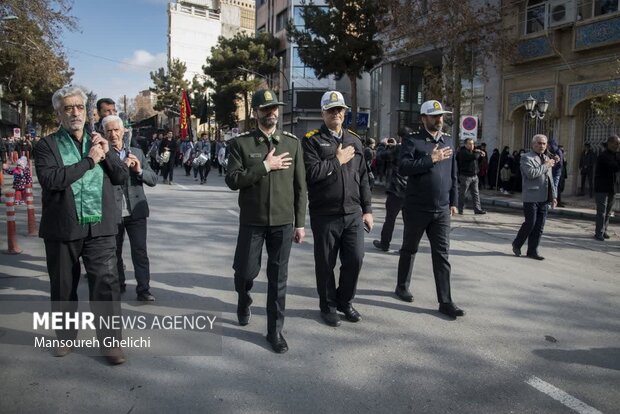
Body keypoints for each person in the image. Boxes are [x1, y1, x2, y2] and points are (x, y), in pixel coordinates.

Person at [34, 85, 128, 364]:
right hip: (63, 228)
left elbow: (120, 176)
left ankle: (111, 343)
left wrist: (106, 151)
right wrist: (90, 161)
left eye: (78, 107)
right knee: (63, 286)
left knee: (106, 284)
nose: (74, 112)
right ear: (58, 113)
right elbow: (52, 180)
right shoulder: (46, 145)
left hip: (100, 227)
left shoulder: (97, 140)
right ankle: (64, 337)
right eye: (67, 108)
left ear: (86, 112)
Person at [225, 89, 307, 354]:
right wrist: (265, 166)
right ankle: (244, 298)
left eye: (275, 108)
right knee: (245, 272)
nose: (272, 112)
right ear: (256, 112)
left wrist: (300, 223)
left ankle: (275, 331)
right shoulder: (242, 144)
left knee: (278, 278)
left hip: (283, 223)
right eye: (266, 108)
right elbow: (233, 180)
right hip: (253, 221)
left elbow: (300, 187)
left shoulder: (292, 143)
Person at [303, 90, 373, 327]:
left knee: (355, 259)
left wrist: (368, 209)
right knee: (325, 263)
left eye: (340, 109)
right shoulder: (311, 140)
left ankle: (345, 301)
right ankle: (328, 306)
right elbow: (311, 174)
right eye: (331, 110)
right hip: (325, 214)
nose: (336, 114)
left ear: (345, 113)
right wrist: (337, 160)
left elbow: (363, 178)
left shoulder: (354, 139)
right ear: (323, 113)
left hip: (353, 212)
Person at [395, 100, 463, 317]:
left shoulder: (448, 141)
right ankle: (402, 286)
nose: (439, 120)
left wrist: (454, 201)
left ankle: (445, 301)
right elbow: (404, 168)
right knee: (409, 248)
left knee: (442, 255)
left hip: (442, 210)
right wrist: (430, 159)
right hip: (417, 207)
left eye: (441, 116)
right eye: (434, 116)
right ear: (424, 118)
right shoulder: (413, 141)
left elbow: (453, 173)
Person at [103, 115, 157, 301]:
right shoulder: (101, 154)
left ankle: (144, 290)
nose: (113, 134)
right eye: (108, 131)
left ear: (123, 131)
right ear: (104, 133)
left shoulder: (136, 152)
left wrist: (139, 171)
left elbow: (153, 179)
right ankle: (119, 285)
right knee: (114, 252)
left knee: (140, 252)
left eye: (116, 130)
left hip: (136, 212)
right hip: (113, 212)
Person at [511, 134, 557, 260]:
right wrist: (546, 165)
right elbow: (531, 174)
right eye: (539, 143)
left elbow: (550, 179)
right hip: (531, 196)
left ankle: (532, 251)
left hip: (544, 197)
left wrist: (554, 196)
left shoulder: (547, 158)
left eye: (544, 143)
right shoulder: (526, 158)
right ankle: (517, 243)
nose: (542, 146)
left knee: (539, 226)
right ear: (533, 144)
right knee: (530, 223)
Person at [373, 127, 410, 252]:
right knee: (409, 223)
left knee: (390, 219)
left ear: (400, 137)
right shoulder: (415, 148)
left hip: (396, 189)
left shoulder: (398, 149)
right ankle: (406, 247)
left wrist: (383, 145)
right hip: (411, 191)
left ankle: (385, 244)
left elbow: (380, 156)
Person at [593, 135, 620, 241]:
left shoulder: (616, 155)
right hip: (601, 187)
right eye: (616, 143)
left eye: (619, 144)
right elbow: (614, 167)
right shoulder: (603, 156)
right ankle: (598, 233)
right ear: (609, 143)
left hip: (612, 188)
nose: (617, 146)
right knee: (602, 211)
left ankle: (604, 231)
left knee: (608, 211)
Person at [456, 138, 486, 215]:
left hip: (474, 176)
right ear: (465, 144)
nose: (472, 145)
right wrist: (479, 152)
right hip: (465, 176)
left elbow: (478, 160)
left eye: (473, 144)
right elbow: (473, 157)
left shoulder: (473, 152)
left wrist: (482, 155)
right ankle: (460, 209)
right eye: (469, 144)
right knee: (463, 194)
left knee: (476, 193)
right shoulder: (463, 152)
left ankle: (477, 209)